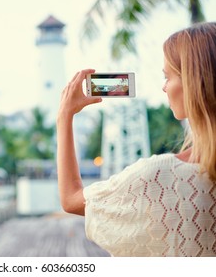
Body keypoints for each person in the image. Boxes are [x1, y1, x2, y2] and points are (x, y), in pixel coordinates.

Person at [56, 22, 216, 257]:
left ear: (193, 82)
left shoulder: (160, 177)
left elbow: (71, 199)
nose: (164, 88)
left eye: (168, 77)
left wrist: (64, 117)